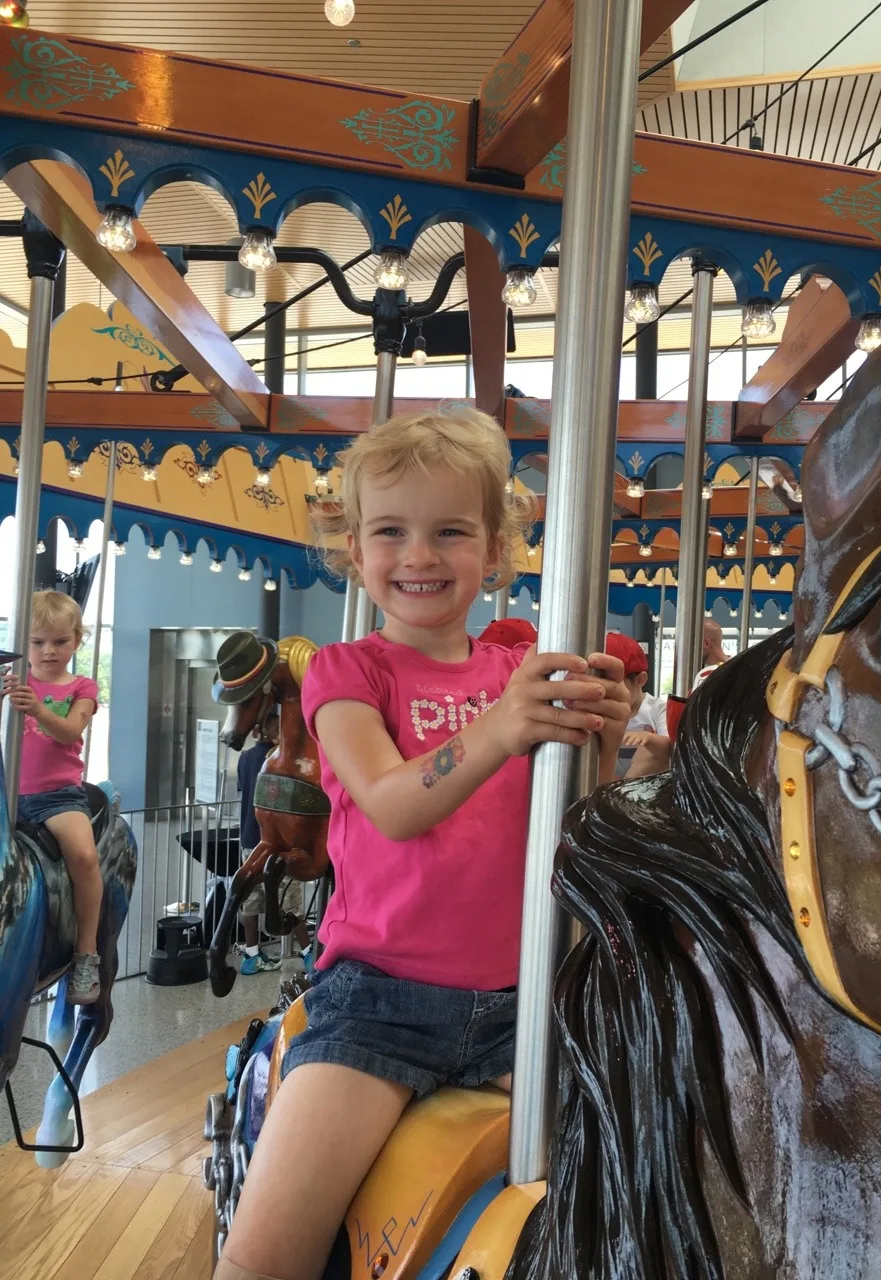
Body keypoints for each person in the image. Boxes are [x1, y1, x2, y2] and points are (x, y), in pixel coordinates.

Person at [214, 408, 630, 1280]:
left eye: (450, 531)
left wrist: (606, 742)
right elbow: (394, 805)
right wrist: (507, 725)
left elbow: (577, 828)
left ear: (495, 550)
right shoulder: (349, 672)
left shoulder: (516, 670)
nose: (419, 556)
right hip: (378, 1009)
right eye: (391, 532)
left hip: (527, 1006)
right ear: (356, 552)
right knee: (261, 1262)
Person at [1, 591, 101, 1004]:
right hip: (7, 794)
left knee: (83, 855)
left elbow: (70, 731)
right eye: (39, 641)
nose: (49, 651)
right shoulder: (13, 681)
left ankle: (86, 953)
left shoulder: (81, 686)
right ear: (24, 642)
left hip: (55, 798)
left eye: (60, 641)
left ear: (76, 640)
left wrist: (38, 710)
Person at [236, 712, 313, 975]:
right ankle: (308, 955)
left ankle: (251, 955)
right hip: (277, 843)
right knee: (291, 900)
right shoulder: (281, 763)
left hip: (249, 838)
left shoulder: (245, 759)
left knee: (251, 900)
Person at [605, 632, 670, 779]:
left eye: (615, 684)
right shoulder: (603, 709)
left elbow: (670, 748)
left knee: (647, 753)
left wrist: (649, 739)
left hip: (644, 779)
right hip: (611, 775)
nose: (607, 692)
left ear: (640, 680)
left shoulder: (656, 709)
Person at [692, 617, 728, 690]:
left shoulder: (707, 676)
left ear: (706, 643)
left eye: (693, 644)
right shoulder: (740, 670)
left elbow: (699, 701)